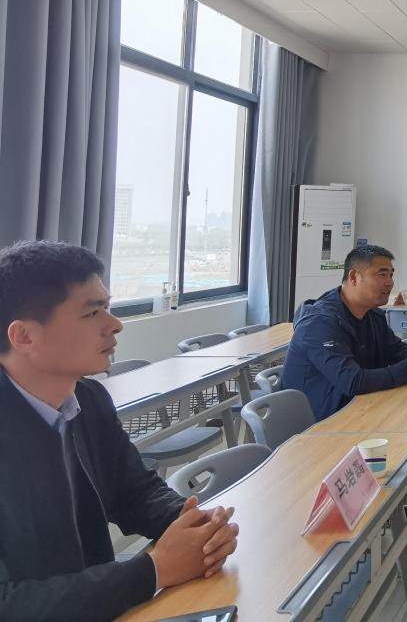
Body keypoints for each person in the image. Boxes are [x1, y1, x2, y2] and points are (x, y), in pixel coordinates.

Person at [0, 241, 239, 621]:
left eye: (107, 308)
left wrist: (190, 522)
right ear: (24, 336)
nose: (115, 324)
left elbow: (133, 491)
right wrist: (154, 570)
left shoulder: (88, 399)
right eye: (92, 313)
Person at [283, 244, 407, 421]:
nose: (389, 282)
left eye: (391, 275)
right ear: (353, 277)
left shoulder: (372, 314)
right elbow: (351, 381)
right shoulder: (319, 323)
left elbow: (395, 349)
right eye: (382, 274)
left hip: (364, 408)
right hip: (323, 422)